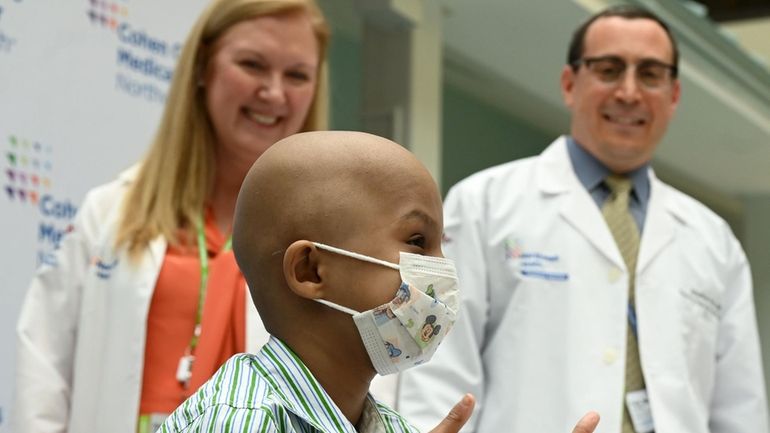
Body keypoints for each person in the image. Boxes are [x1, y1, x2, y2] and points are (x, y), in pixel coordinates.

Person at [397, 5, 768, 433]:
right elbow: (439, 372)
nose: (629, 92)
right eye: (609, 69)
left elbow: (741, 411)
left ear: (673, 95)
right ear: (570, 84)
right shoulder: (485, 204)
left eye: (650, 74)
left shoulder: (713, 241)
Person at [14, 0, 330, 432]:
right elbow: (42, 374)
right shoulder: (110, 212)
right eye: (252, 65)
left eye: (297, 74)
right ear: (203, 68)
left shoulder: (332, 239)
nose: (274, 92)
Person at [157, 130, 600, 433]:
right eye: (417, 241)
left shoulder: (383, 423)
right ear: (312, 270)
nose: (441, 269)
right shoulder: (242, 420)